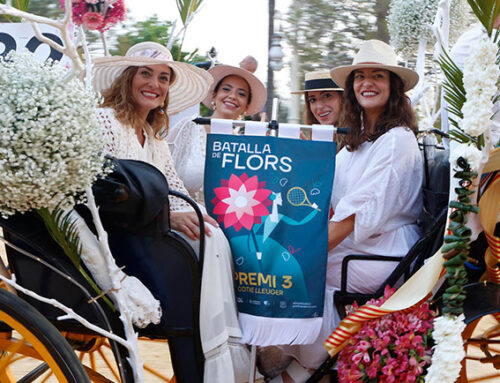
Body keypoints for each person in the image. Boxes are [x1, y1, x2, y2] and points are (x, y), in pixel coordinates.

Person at [92, 42, 255, 383]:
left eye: (163, 78)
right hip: (122, 240)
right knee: (204, 244)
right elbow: (101, 194)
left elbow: (174, 188)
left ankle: (218, 357)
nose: (155, 84)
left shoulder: (154, 138)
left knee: (212, 235)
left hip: (150, 233)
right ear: (127, 79)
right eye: (146, 74)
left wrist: (192, 215)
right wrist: (167, 217)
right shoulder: (104, 122)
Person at [262, 40, 424, 383]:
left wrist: (292, 254)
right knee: (271, 258)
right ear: (351, 88)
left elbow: (352, 217)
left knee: (290, 272)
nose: (367, 83)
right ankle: (296, 364)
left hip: (381, 251)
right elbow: (319, 197)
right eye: (360, 76)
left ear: (393, 86)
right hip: (359, 242)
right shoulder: (360, 139)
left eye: (377, 76)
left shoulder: (395, 139)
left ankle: (303, 364)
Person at [167, 64, 267, 204]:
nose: (232, 96)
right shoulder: (189, 127)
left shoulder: (246, 147)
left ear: (246, 106)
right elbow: (160, 173)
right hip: (179, 220)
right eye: (226, 89)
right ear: (214, 95)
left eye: (241, 94)